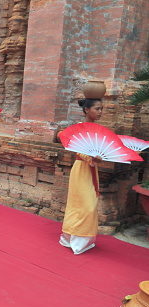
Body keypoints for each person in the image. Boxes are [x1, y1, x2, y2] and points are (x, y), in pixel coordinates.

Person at [59, 98, 103, 255]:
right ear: (86, 110)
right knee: (82, 205)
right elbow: (77, 148)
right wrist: (92, 157)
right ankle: (72, 240)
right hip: (81, 169)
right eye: (97, 109)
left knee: (91, 203)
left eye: (101, 109)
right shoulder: (78, 128)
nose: (100, 112)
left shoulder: (99, 129)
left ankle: (83, 240)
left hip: (92, 170)